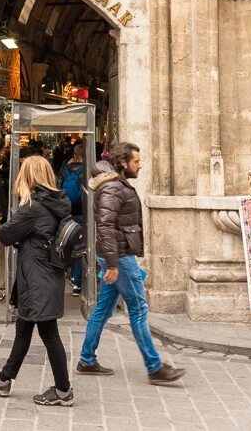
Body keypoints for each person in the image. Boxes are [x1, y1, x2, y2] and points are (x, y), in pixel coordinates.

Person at [77, 143, 185, 385]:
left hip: (117, 256)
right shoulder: (113, 188)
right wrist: (114, 265)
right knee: (138, 309)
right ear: (123, 163)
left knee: (103, 310)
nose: (140, 164)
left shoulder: (116, 185)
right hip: (120, 258)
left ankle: (86, 359)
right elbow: (105, 227)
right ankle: (154, 366)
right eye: (136, 161)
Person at [0, 155, 74, 406]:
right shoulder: (57, 202)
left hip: (36, 278)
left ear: (28, 177)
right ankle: (4, 379)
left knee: (49, 334)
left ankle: (63, 391)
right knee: (24, 329)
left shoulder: (32, 207)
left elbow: (6, 234)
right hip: (44, 274)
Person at [58, 141, 86, 295]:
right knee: (80, 247)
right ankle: (77, 281)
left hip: (66, 213)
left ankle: (63, 275)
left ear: (74, 154)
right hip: (82, 213)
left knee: (65, 243)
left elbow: (58, 189)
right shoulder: (86, 170)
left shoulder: (64, 169)